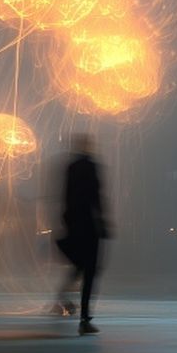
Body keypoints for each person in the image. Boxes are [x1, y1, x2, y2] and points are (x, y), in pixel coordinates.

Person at [52, 133, 109, 335]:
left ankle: (64, 299)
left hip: (75, 223)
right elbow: (97, 197)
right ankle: (84, 318)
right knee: (90, 271)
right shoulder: (91, 166)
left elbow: (65, 197)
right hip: (89, 225)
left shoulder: (71, 167)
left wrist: (67, 221)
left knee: (79, 267)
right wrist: (103, 222)